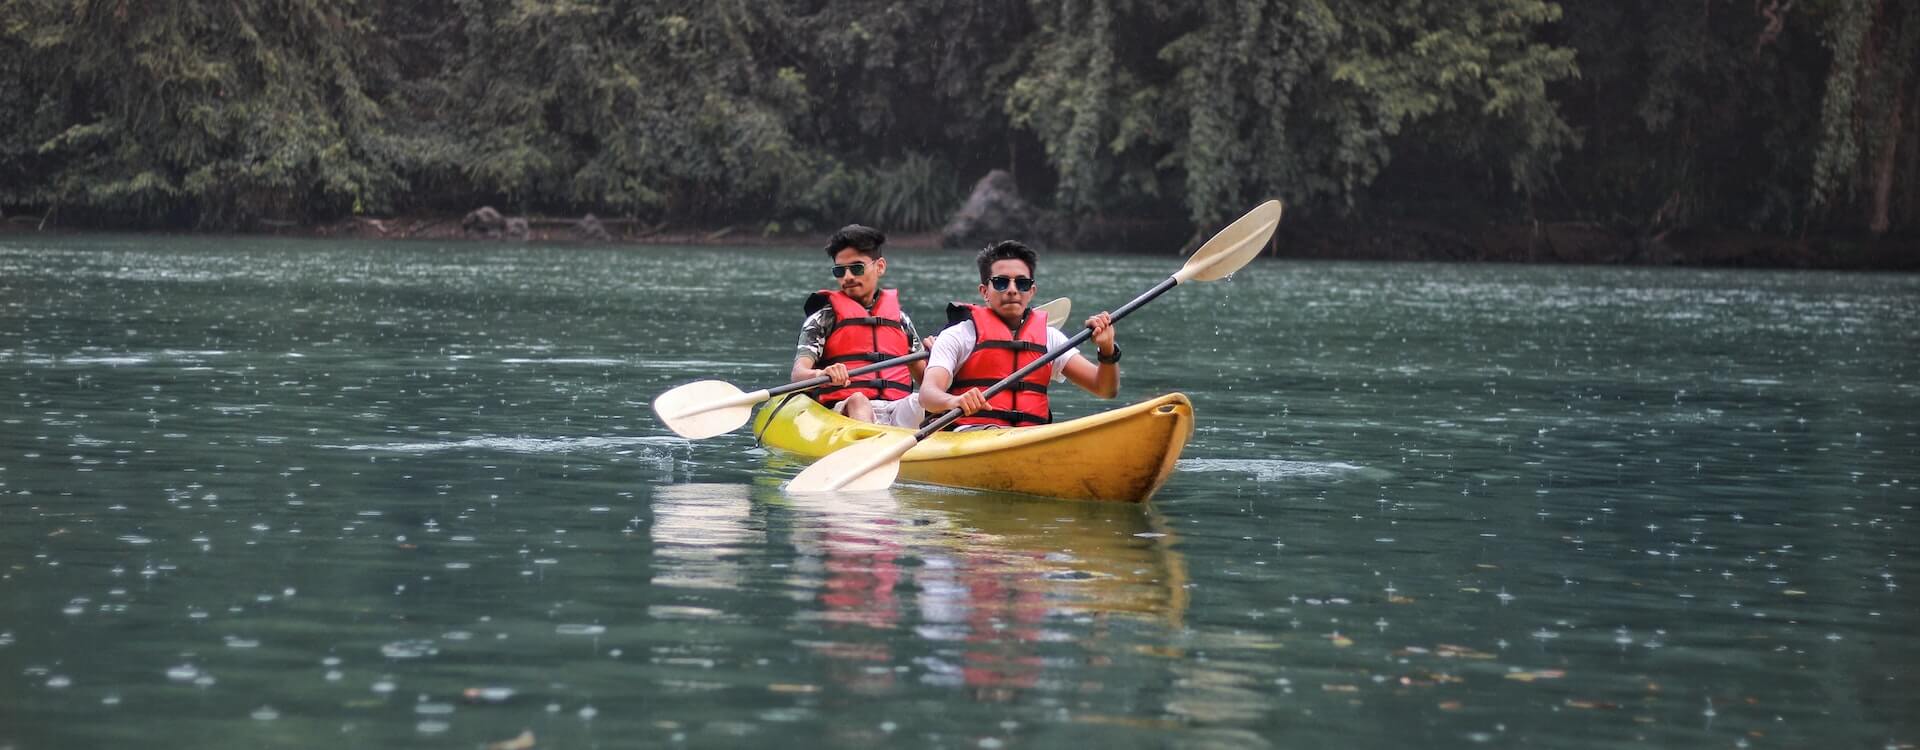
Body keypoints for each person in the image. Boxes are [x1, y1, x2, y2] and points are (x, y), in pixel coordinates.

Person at [920, 241, 1119, 430]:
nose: (1012, 290)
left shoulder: (1050, 338)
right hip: (970, 434)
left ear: (1031, 291)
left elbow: (1104, 389)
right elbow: (927, 394)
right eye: (1001, 283)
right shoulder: (958, 335)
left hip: (1031, 436)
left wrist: (1107, 349)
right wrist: (954, 401)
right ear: (984, 292)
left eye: (1022, 284)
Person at [791, 224, 930, 427]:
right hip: (845, 411)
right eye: (840, 271)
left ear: (880, 266)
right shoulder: (823, 319)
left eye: (856, 268)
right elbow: (798, 375)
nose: (847, 277)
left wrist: (938, 358)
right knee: (859, 400)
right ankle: (867, 444)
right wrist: (822, 374)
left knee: (925, 401)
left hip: (896, 407)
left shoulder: (901, 321)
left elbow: (926, 379)